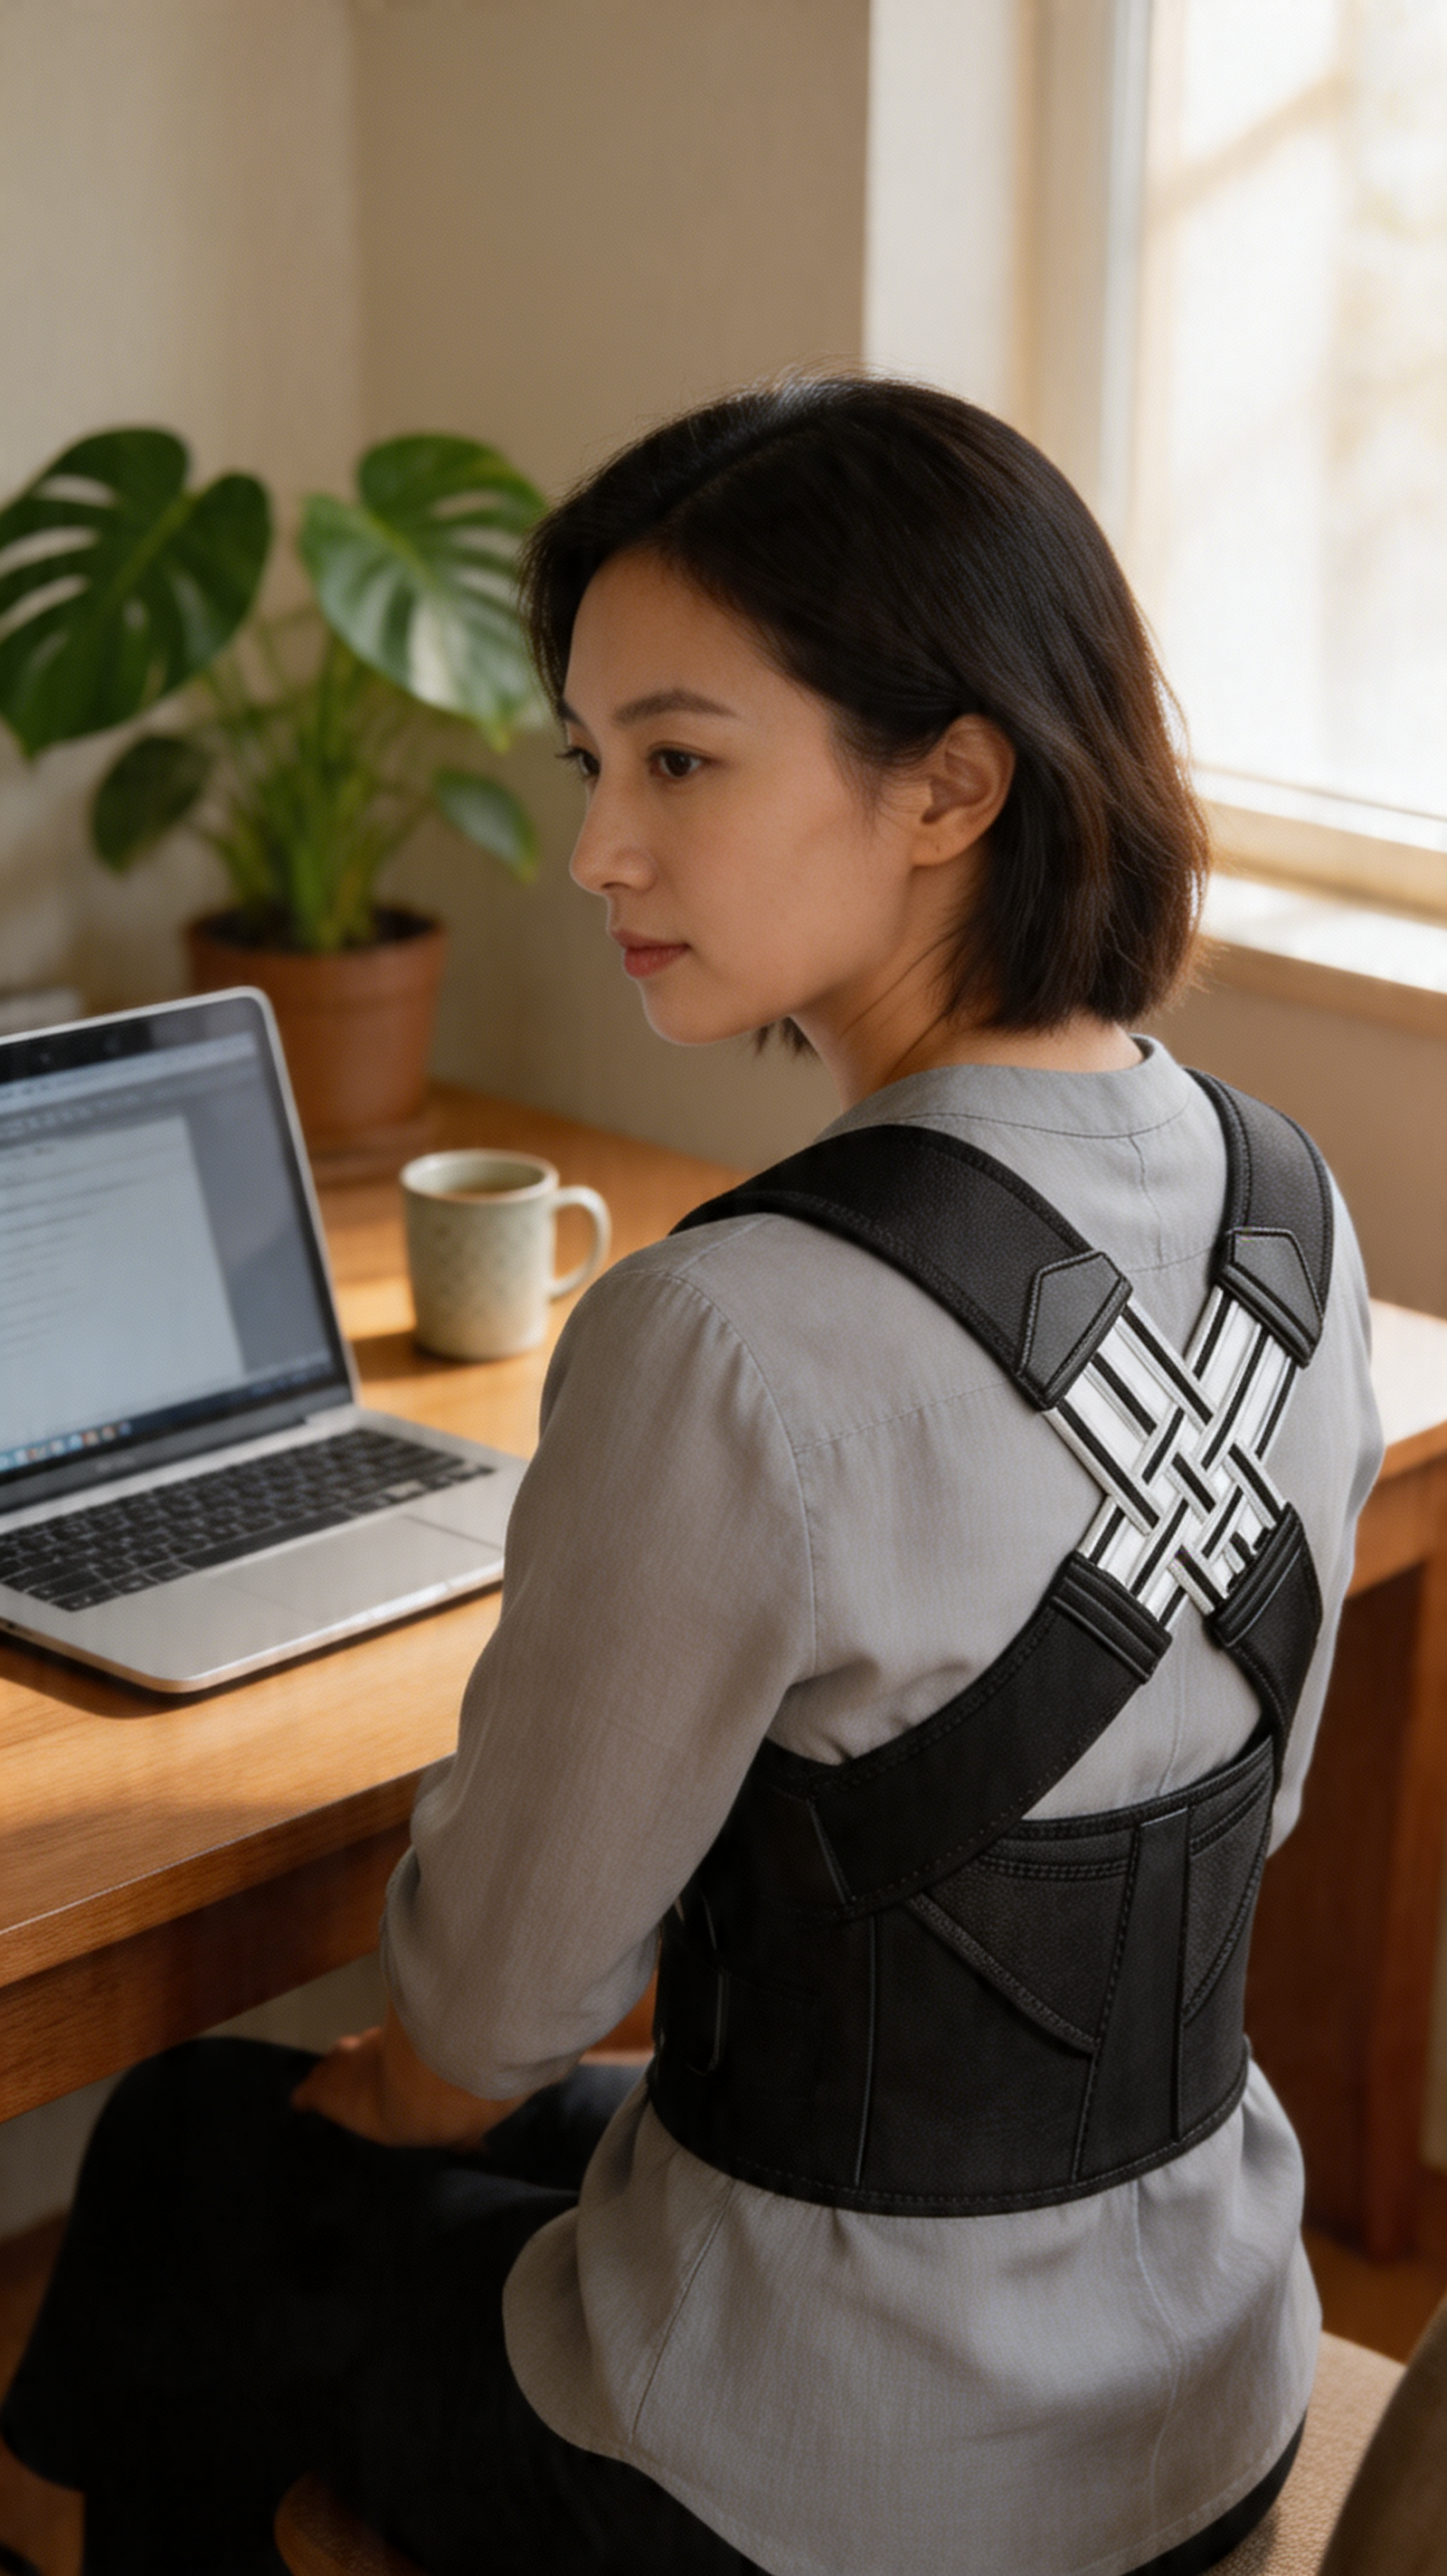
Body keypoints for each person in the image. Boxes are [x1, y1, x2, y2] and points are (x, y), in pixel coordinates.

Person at [0, 378, 1381, 2576]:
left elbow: (477, 2031)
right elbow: (1235, 1802)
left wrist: (361, 2112)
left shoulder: (727, 1328)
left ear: (949, 781)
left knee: (193, 2143)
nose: (593, 848)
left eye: (679, 757)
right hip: (1204, 2375)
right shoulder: (1288, 1210)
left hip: (813, 2487)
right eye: (590, 758)